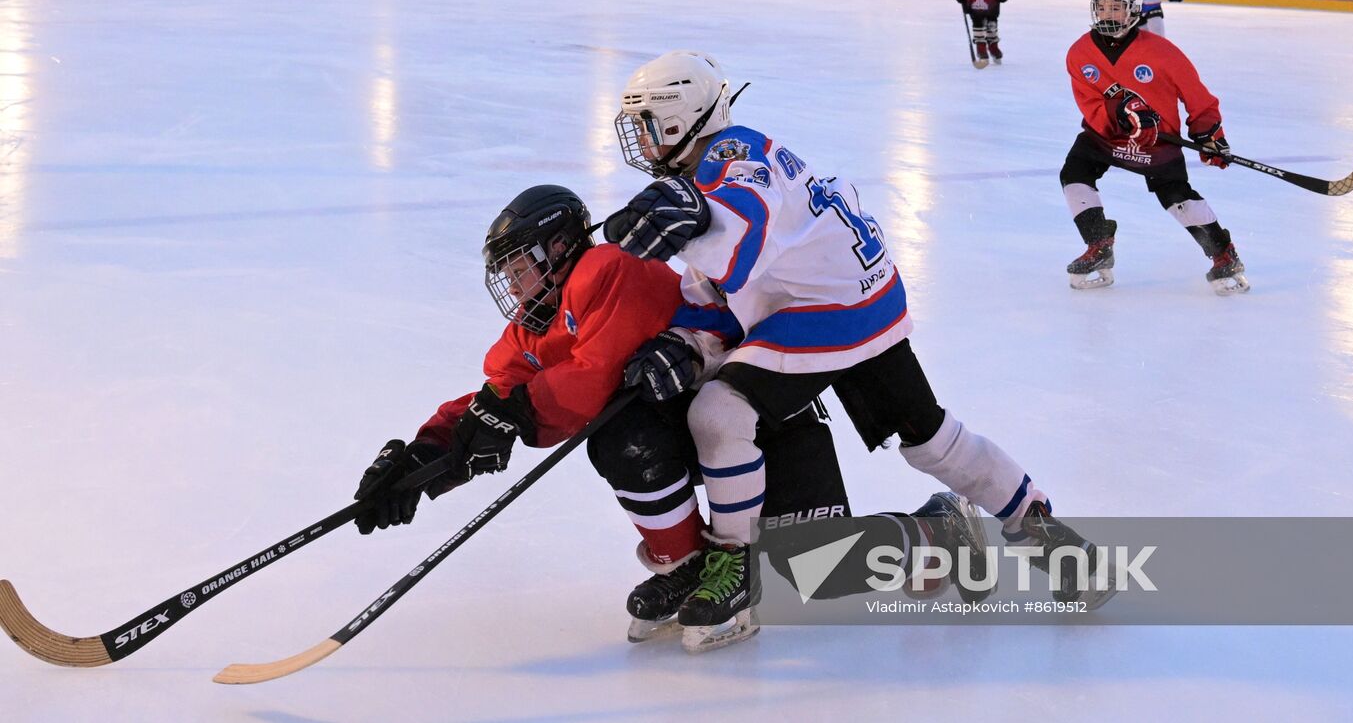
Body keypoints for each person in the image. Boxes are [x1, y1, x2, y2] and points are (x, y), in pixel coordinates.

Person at [605, 50, 1116, 648]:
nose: (637, 138)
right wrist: (687, 342)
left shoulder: (730, 158)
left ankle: (731, 564)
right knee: (932, 438)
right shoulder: (722, 158)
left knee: (718, 413)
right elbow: (717, 285)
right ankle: (1059, 545)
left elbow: (742, 234)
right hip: (865, 297)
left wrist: (693, 223)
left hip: (828, 312)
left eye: (644, 123)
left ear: (677, 118)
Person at [349, 184, 986, 649]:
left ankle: (940, 529)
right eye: (508, 275)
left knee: (815, 568)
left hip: (763, 424)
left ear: (562, 247)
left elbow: (585, 384)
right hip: (696, 429)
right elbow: (498, 392)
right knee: (621, 439)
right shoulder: (534, 326)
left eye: (521, 270)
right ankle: (687, 568)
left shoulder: (609, 270)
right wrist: (422, 459)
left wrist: (509, 415)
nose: (514, 289)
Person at [1061, 0, 1247, 295]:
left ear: (1133, 11)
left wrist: (1208, 134)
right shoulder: (1080, 52)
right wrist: (1118, 114)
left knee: (1177, 199)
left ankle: (1222, 253)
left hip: (1158, 141)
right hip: (1105, 137)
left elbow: (1197, 96)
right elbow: (1088, 102)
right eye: (1102, 7)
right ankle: (1099, 243)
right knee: (1074, 174)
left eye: (1116, 8)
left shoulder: (1162, 52)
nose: (1107, 13)